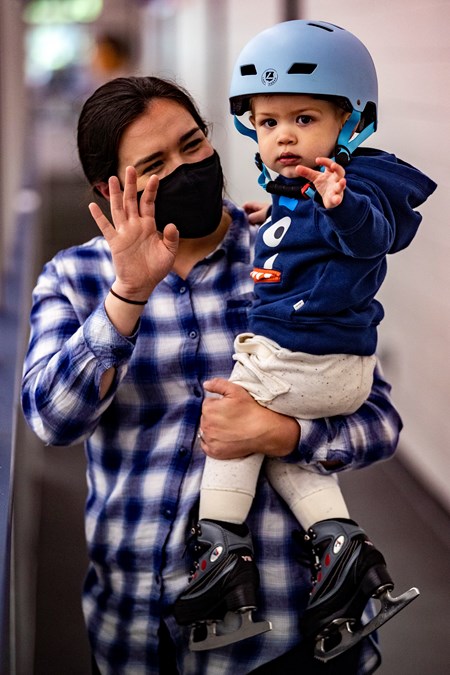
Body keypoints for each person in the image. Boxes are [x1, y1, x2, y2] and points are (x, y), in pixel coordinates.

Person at [22, 74, 404, 675]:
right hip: (134, 625)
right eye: (155, 162)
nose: (187, 167)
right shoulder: (73, 278)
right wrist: (128, 295)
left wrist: (281, 435)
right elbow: (52, 421)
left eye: (193, 144)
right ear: (111, 188)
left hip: (286, 633)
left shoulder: (289, 253)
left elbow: (378, 421)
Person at [174, 20, 437, 662]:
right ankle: (343, 548)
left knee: (229, 423)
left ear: (350, 124)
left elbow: (368, 234)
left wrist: (338, 203)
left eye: (304, 118)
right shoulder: (297, 195)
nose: (283, 134)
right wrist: (284, 216)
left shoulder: (353, 190)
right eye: (267, 123)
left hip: (305, 359)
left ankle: (219, 555)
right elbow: (309, 232)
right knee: (280, 447)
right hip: (321, 367)